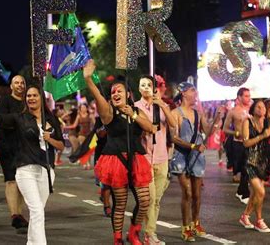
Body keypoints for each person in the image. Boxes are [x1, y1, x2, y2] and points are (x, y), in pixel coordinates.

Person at [0, 84, 64, 244]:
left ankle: (31, 242)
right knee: (36, 210)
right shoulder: (20, 118)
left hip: (47, 171)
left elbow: (61, 145)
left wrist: (50, 139)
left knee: (38, 212)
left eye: (35, 95)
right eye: (29, 96)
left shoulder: (51, 119)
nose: (31, 98)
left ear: (41, 98)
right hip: (25, 169)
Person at [83, 59, 153, 245]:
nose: (115, 93)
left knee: (145, 201)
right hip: (116, 161)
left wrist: (134, 115)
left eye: (119, 90)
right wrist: (88, 79)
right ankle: (117, 239)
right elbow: (98, 96)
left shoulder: (136, 110)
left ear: (128, 94)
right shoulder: (108, 111)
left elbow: (151, 128)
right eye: (113, 92)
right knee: (120, 203)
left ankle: (133, 233)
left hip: (136, 159)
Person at [135, 75, 177, 245]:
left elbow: (173, 124)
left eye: (149, 85)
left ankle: (149, 233)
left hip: (161, 158)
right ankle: (149, 234)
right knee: (150, 199)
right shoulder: (135, 107)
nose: (146, 87)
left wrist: (162, 106)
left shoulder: (162, 106)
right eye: (142, 85)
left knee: (157, 200)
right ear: (139, 88)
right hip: (144, 158)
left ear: (154, 88)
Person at [169, 82, 211, 242]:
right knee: (187, 193)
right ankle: (185, 227)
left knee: (197, 194)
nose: (196, 93)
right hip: (181, 156)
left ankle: (196, 222)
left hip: (197, 157)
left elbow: (207, 131)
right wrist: (193, 146)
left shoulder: (198, 113)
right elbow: (173, 137)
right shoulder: (175, 113)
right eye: (193, 90)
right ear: (184, 93)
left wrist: (218, 118)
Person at [0, 75, 29, 233]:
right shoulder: (6, 101)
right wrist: (18, 118)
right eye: (17, 82)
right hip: (7, 146)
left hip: (24, 147)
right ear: (11, 86)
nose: (20, 85)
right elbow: (0, 119)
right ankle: (14, 215)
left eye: (22, 82)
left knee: (22, 181)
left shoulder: (28, 101)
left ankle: (20, 214)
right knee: (11, 180)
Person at [238, 99, 270, 233]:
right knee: (261, 192)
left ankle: (245, 216)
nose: (262, 109)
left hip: (262, 161)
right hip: (249, 161)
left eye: (263, 107)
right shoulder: (247, 122)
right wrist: (261, 137)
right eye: (258, 107)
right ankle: (259, 221)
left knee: (255, 193)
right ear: (253, 109)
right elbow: (246, 143)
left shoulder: (267, 122)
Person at [223, 88, 252, 204]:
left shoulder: (252, 110)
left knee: (248, 168)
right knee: (243, 168)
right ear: (239, 97)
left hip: (250, 142)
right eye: (246, 96)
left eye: (249, 96)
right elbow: (225, 129)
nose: (248, 98)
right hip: (238, 143)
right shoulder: (233, 111)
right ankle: (243, 192)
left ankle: (243, 192)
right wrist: (234, 132)